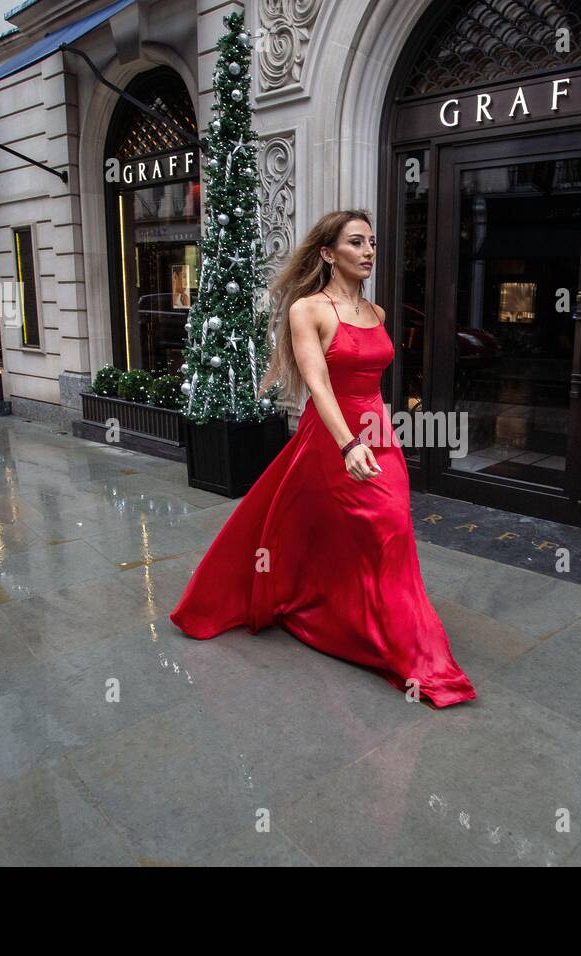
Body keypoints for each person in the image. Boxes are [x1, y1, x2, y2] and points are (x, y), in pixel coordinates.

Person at [169, 209, 476, 707]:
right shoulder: (308, 310)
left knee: (390, 529)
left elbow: (372, 383)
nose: (369, 251)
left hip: (377, 432)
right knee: (346, 527)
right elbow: (317, 382)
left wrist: (380, 433)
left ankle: (384, 634)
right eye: (356, 242)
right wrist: (348, 444)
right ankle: (410, 654)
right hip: (333, 436)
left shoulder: (376, 314)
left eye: (372, 242)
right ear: (329, 253)